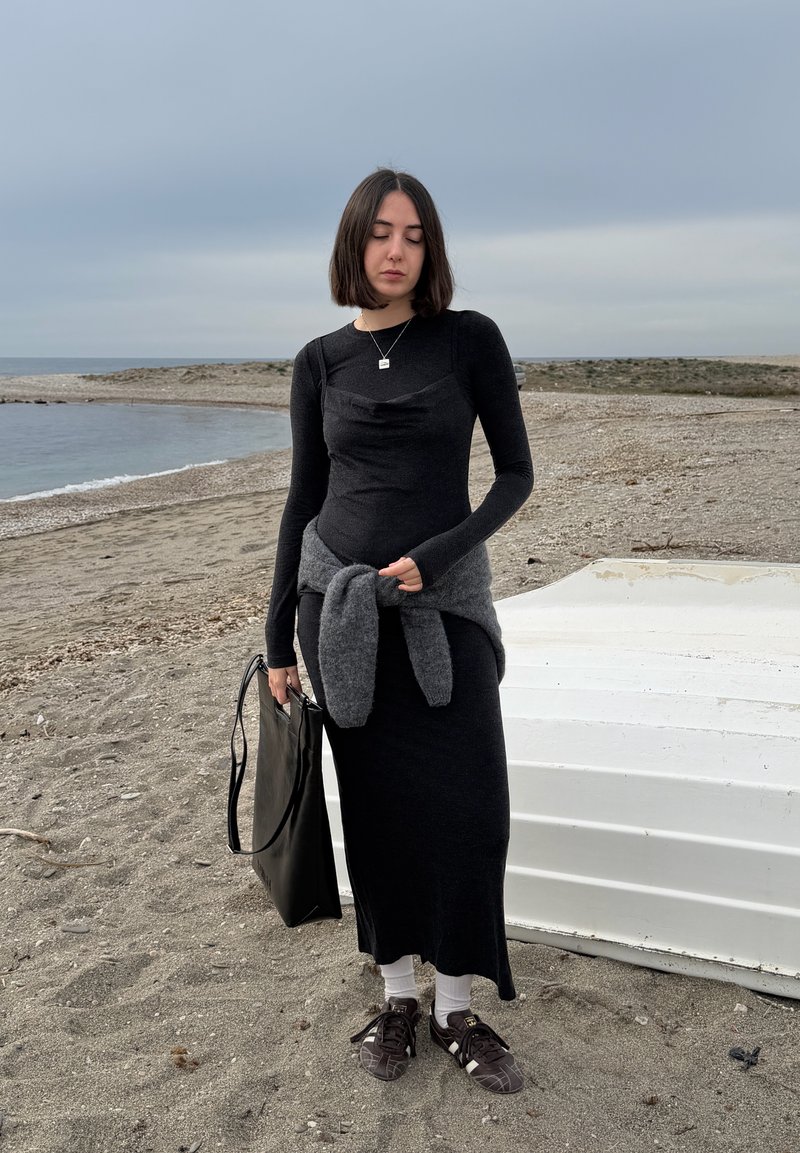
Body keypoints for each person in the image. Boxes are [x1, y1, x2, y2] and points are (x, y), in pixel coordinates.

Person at [265, 168, 534, 1094]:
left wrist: (437, 555)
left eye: (412, 235)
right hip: (335, 615)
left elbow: (513, 477)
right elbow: (304, 501)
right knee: (374, 819)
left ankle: (458, 1004)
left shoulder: (470, 341)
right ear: (354, 242)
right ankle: (398, 999)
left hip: (443, 610)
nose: (395, 250)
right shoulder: (320, 359)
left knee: (468, 811)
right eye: (380, 233)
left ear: (432, 249)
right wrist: (274, 644)